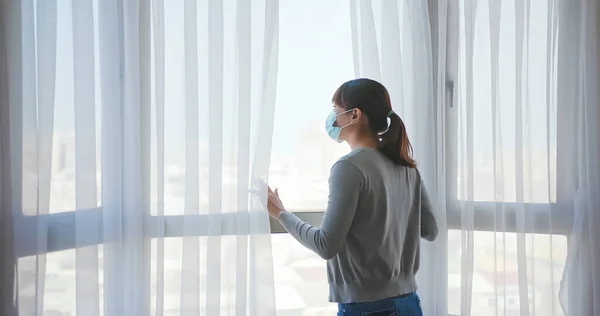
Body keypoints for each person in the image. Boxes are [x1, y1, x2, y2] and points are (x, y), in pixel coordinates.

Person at [267, 78, 438, 316]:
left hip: (371, 309)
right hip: (410, 303)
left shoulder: (349, 167)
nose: (332, 118)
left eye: (336, 110)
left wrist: (280, 214)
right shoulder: (407, 167)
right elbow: (430, 229)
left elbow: (326, 245)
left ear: (355, 115)